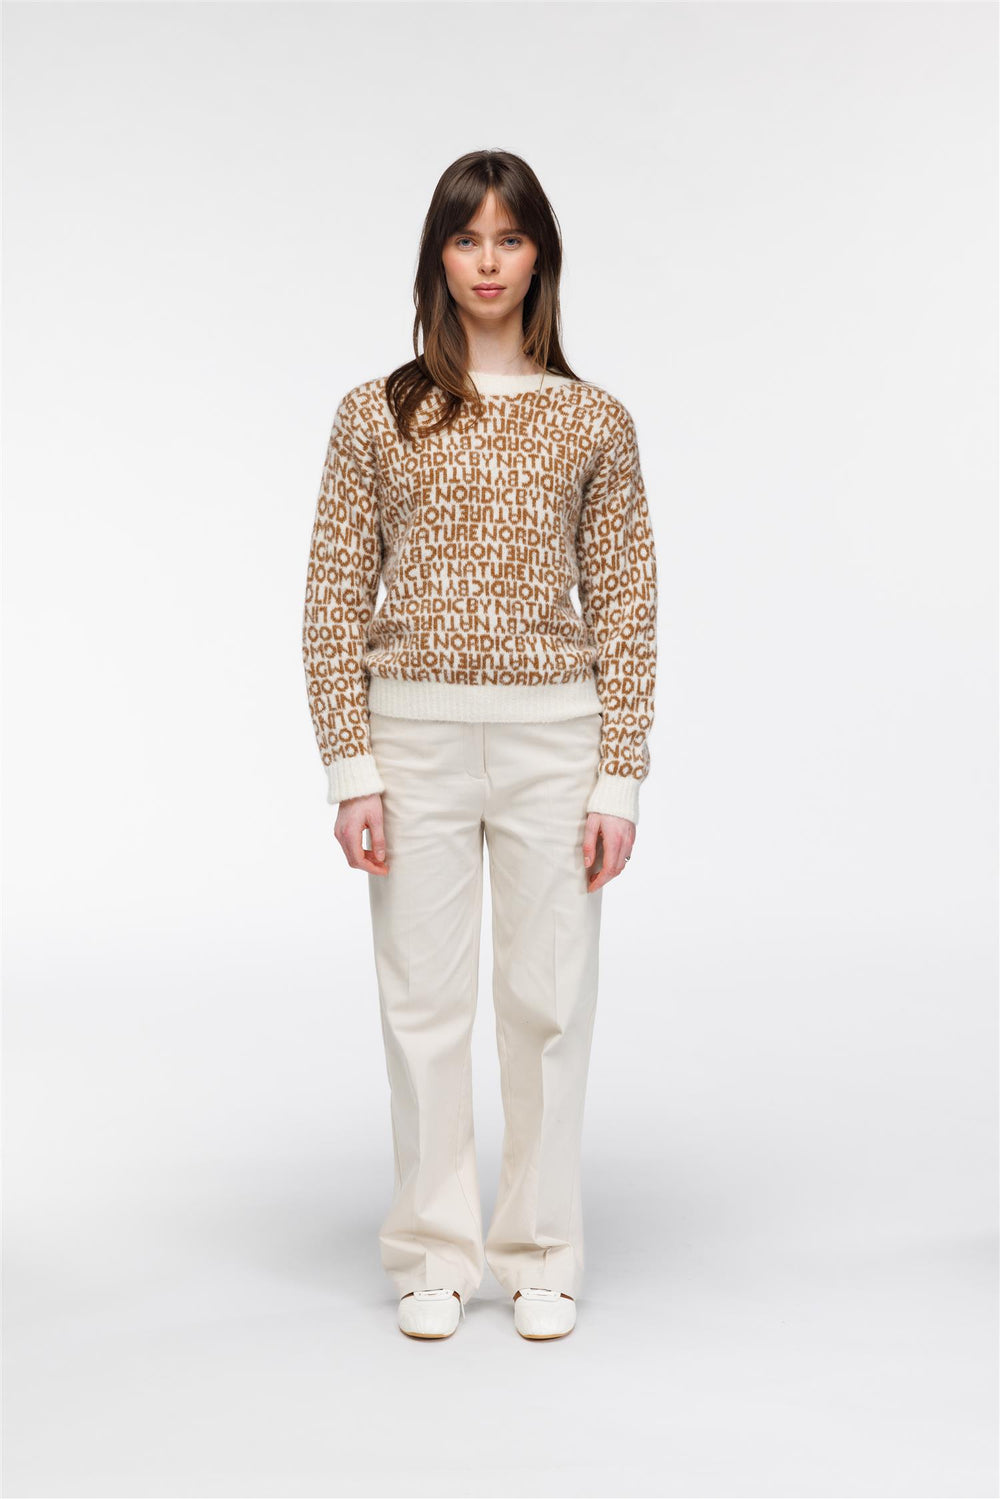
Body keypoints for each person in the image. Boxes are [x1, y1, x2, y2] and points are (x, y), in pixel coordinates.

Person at [301, 149, 658, 1341]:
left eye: (509, 239)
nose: (488, 262)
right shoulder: (377, 412)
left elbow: (626, 603)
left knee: (547, 1004)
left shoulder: (593, 419)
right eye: (467, 239)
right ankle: (432, 1248)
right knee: (423, 1004)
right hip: (414, 742)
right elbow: (332, 598)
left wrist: (619, 777)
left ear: (539, 255)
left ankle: (542, 1246)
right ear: (437, 257)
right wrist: (351, 767)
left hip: (557, 741)